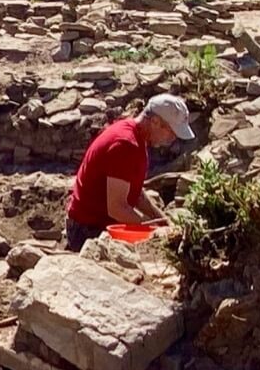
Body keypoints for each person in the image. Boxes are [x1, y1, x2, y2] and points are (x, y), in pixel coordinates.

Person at [64, 94, 194, 252]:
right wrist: (155, 230)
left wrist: (163, 222)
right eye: (171, 132)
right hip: (87, 230)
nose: (172, 139)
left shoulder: (136, 137)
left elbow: (136, 194)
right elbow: (117, 208)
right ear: (155, 122)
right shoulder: (126, 145)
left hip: (96, 222)